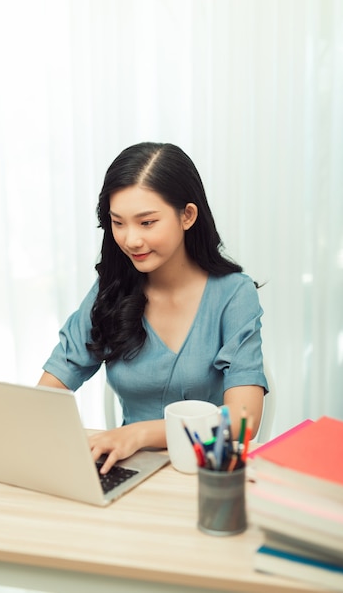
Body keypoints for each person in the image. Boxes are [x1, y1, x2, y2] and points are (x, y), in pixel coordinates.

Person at [39, 142, 268, 473]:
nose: (131, 239)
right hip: (126, 470)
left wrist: (139, 433)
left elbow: (243, 421)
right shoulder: (110, 291)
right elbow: (49, 390)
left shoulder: (234, 294)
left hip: (205, 474)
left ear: (187, 216)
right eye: (118, 223)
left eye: (146, 223)